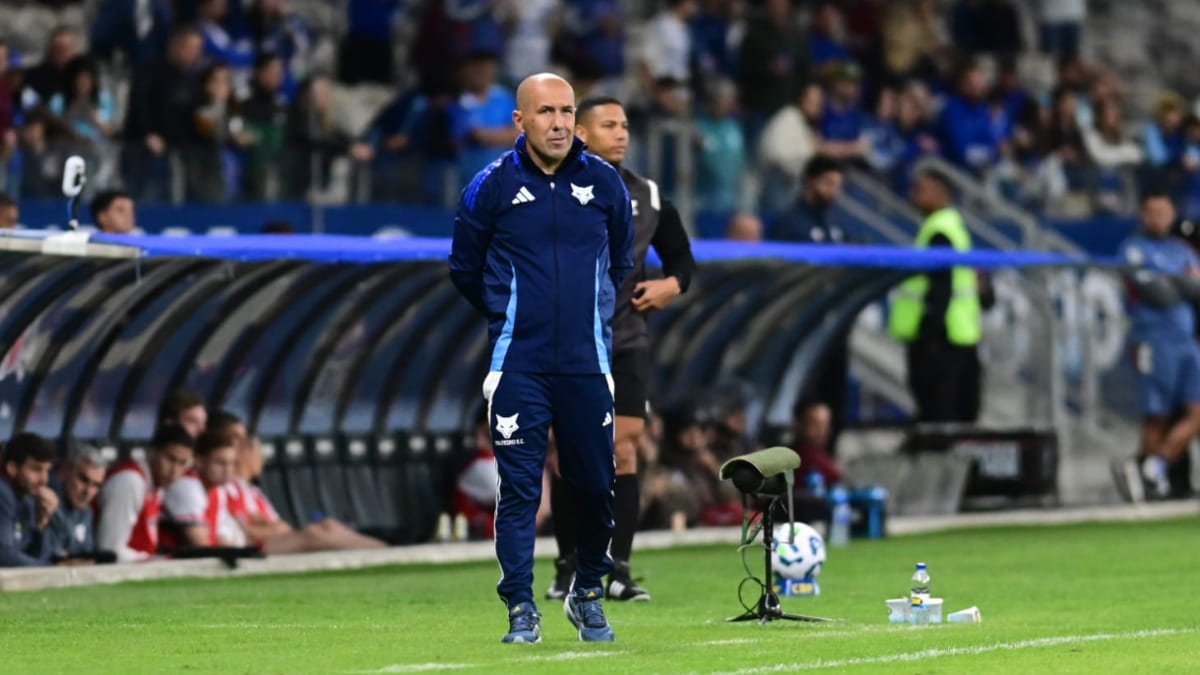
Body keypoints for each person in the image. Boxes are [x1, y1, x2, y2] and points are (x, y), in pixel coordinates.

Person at [449, 73, 633, 644]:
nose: (557, 123)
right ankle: (521, 607)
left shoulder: (605, 184)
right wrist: (510, 316)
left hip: (585, 363)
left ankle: (588, 592)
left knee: (594, 482)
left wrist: (588, 318)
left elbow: (621, 263)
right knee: (521, 489)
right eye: (546, 112)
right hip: (518, 366)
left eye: (566, 111)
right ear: (520, 121)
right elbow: (465, 267)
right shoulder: (490, 186)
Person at [544, 95, 695, 603]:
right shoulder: (549, 188)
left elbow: (681, 257)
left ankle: (617, 568)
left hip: (626, 338)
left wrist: (670, 285)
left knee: (622, 446)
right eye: (609, 125)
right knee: (570, 454)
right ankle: (568, 565)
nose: (622, 133)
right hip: (568, 341)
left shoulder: (647, 195)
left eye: (626, 124)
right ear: (581, 134)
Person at [1112, 190, 1200, 500]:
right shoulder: (1134, 249)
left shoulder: (1182, 250)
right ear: (1143, 215)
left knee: (1196, 411)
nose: (1160, 219)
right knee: (1157, 414)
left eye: (1165, 212)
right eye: (1153, 212)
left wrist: (1173, 280)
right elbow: (1158, 293)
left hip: (1186, 342)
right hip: (1154, 339)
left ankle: (1154, 467)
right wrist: (1184, 282)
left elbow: (1195, 291)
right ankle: (1143, 474)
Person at [208, 410, 387, 553]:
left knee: (328, 525)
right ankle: (383, 554)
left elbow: (278, 525)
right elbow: (245, 529)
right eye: (235, 438)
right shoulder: (222, 487)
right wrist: (270, 529)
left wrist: (271, 528)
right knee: (315, 534)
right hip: (252, 547)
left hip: (268, 539)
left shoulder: (249, 490)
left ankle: (385, 551)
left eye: (243, 439)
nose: (241, 445)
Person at [888, 168, 983, 423]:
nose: (913, 195)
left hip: (940, 338)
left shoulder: (939, 232)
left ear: (941, 194)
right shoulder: (953, 228)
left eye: (920, 189)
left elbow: (941, 285)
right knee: (957, 413)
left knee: (938, 414)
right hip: (959, 334)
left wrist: (930, 330)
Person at [96, 425, 195, 561]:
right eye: (170, 459)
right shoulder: (130, 481)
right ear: (152, 452)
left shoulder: (158, 484)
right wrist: (155, 561)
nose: (175, 470)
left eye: (182, 463)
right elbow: (110, 550)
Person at [0, 433, 58, 567]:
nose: (44, 479)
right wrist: (46, 569)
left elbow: (34, 554)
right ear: (12, 468)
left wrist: (42, 523)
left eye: (47, 470)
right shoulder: (2, 494)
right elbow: (3, 555)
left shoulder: (28, 499)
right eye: (36, 469)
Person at [47, 442, 107, 562]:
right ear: (65, 471)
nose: (88, 492)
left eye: (96, 485)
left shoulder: (86, 511)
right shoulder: (47, 502)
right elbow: (55, 561)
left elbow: (87, 557)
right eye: (83, 479)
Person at [769, 155, 845, 242]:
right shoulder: (789, 222)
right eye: (829, 183)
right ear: (810, 180)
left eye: (838, 186)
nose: (834, 191)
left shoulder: (834, 220)